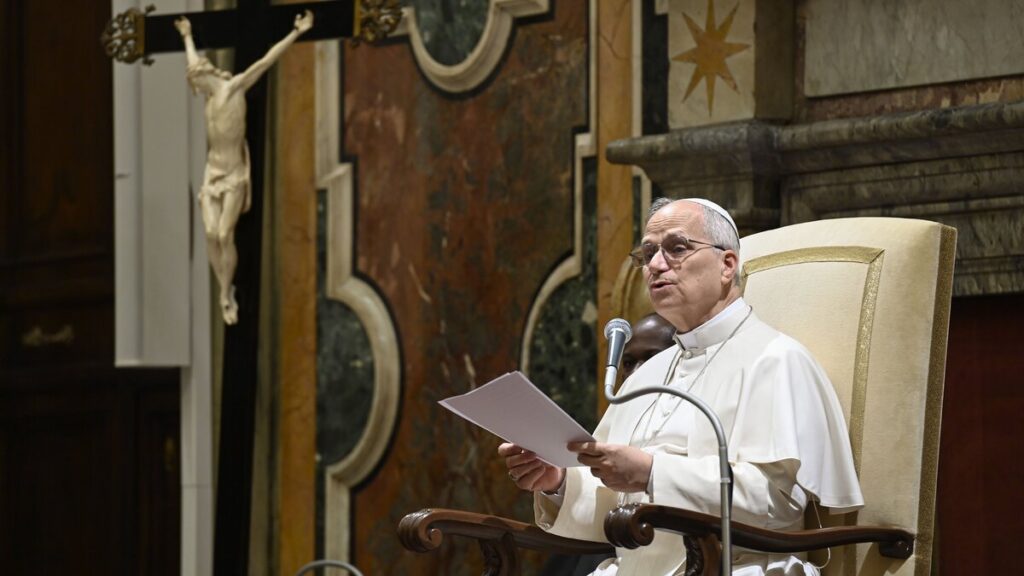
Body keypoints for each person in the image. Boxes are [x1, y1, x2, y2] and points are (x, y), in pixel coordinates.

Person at [499, 198, 863, 575]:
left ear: (727, 265)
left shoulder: (777, 359)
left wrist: (653, 472)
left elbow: (778, 504)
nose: (655, 265)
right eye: (648, 252)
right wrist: (558, 482)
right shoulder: (647, 374)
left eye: (676, 248)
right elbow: (614, 511)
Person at [174, 11, 313, 324]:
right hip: (213, 171)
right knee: (210, 232)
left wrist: (297, 33)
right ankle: (223, 290)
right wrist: (186, 36)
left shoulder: (233, 88)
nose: (193, 83)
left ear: (203, 75)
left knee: (225, 235)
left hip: (235, 173)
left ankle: (226, 293)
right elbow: (193, 61)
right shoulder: (209, 98)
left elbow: (265, 62)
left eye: (194, 78)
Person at [540, 312, 678, 576]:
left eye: (651, 360)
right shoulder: (621, 408)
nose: (637, 373)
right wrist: (558, 482)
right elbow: (603, 496)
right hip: (613, 547)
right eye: (628, 362)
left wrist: (648, 472)